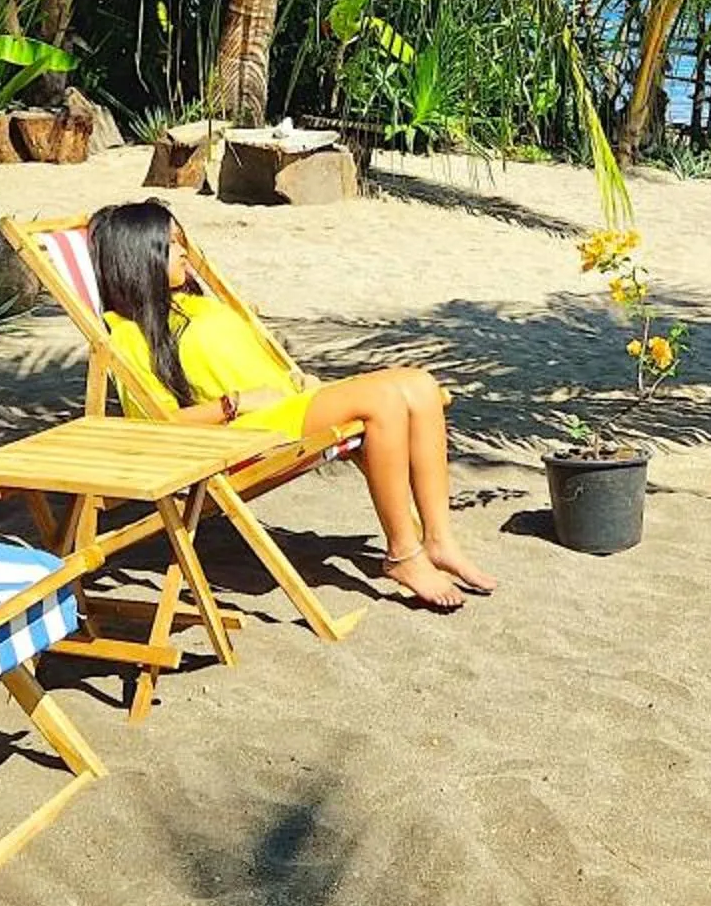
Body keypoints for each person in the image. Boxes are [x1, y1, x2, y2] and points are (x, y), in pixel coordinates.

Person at [86, 198, 491, 611]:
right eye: (171, 244)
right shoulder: (127, 336)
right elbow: (156, 428)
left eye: (181, 239)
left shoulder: (192, 303)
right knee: (384, 400)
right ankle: (403, 554)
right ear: (139, 259)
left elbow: (242, 362)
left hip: (283, 407)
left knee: (421, 386)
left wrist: (290, 380)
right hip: (245, 435)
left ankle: (439, 540)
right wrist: (235, 404)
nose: (186, 250)